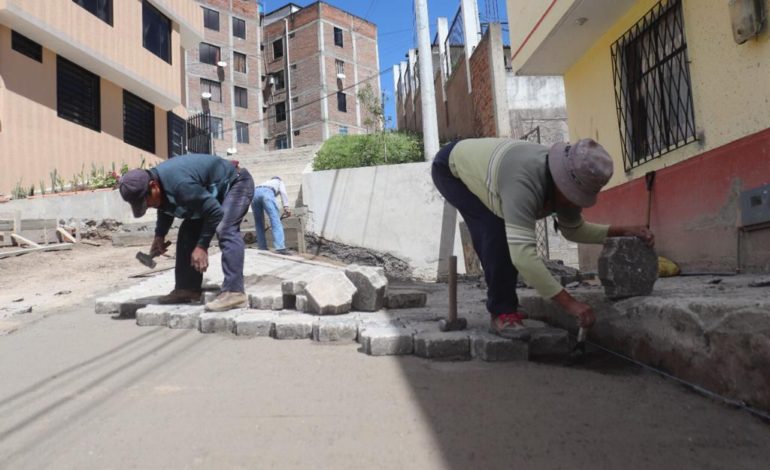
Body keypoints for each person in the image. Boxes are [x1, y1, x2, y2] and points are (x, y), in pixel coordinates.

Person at [431, 138, 654, 337]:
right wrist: (571, 304)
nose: (574, 202)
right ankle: (502, 312)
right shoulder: (524, 183)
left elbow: (574, 230)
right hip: (450, 169)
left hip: (497, 168)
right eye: (573, 196)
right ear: (562, 181)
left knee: (503, 231)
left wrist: (624, 231)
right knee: (494, 230)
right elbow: (524, 257)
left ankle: (506, 303)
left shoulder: (568, 181)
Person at [119, 154, 255, 312]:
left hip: (237, 184)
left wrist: (202, 246)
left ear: (153, 186)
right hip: (209, 195)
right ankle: (187, 289)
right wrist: (160, 235)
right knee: (187, 232)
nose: (149, 206)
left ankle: (235, 292)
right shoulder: (160, 185)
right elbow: (164, 206)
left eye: (146, 202)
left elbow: (215, 212)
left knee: (225, 228)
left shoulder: (180, 184)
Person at [251, 176, 291, 254]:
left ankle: (262, 246)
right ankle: (280, 247)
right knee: (275, 220)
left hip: (254, 194)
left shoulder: (267, 182)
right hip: (267, 193)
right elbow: (283, 192)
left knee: (259, 222)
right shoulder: (279, 182)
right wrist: (286, 207)